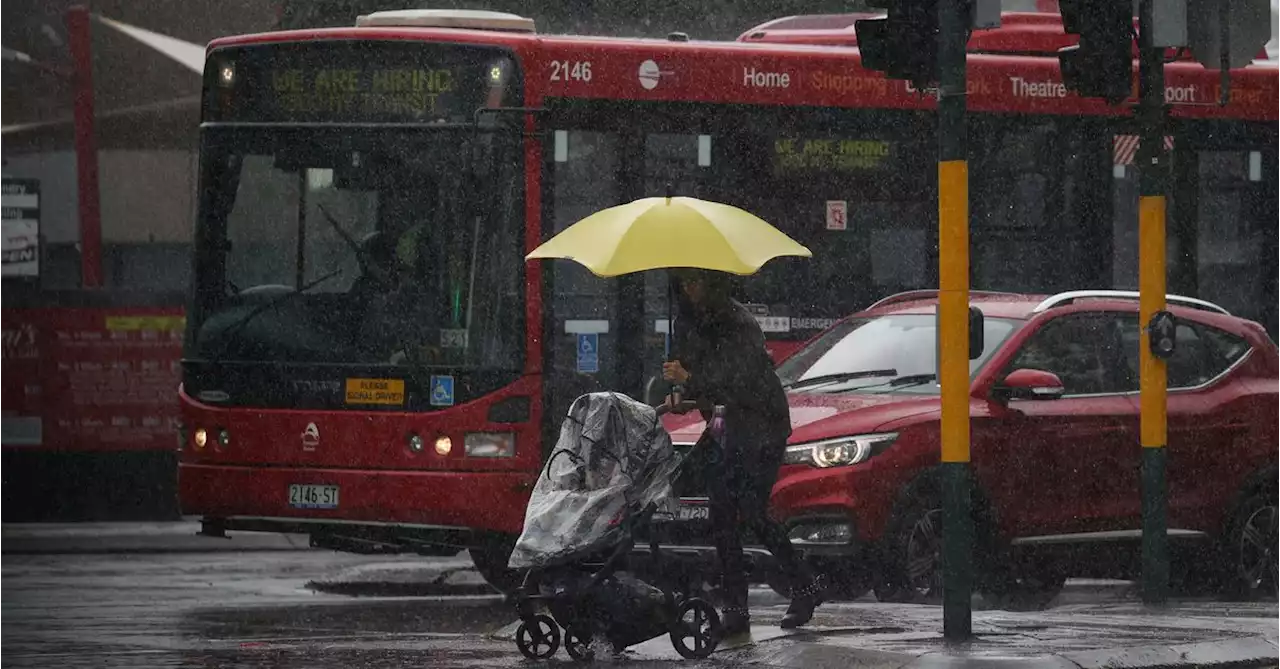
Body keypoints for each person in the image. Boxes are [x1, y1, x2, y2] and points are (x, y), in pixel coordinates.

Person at [661, 268, 825, 635]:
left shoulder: (739, 322)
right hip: (724, 424)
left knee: (750, 510)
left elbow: (737, 379)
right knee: (720, 513)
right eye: (684, 283)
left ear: (712, 282)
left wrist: (690, 380)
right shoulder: (687, 321)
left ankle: (806, 585)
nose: (690, 289)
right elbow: (696, 375)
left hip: (760, 423)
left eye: (696, 281)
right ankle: (736, 608)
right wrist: (677, 390)